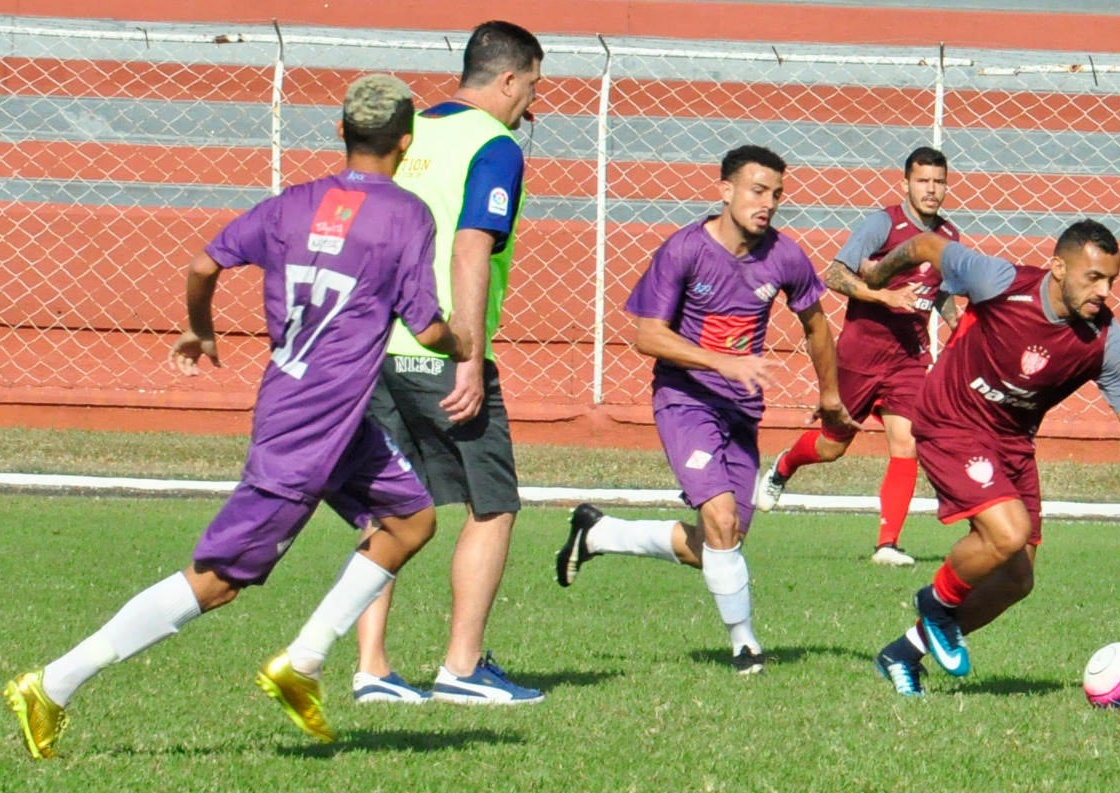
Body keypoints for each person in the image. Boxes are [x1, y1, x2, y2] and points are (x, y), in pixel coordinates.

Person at [2, 74, 471, 758]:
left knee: (412, 519)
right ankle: (52, 683)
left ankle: (303, 663)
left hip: (319, 411)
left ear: (340, 133)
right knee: (218, 581)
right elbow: (427, 329)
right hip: (310, 428)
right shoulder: (406, 214)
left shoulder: (292, 205)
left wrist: (200, 330)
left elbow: (202, 264)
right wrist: (465, 342)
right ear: (407, 141)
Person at [553, 145, 859, 674]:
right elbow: (648, 335)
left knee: (721, 544)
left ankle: (599, 533)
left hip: (742, 411)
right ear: (725, 191)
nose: (768, 203)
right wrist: (722, 363)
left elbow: (817, 326)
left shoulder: (785, 256)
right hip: (685, 399)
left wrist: (830, 398)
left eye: (777, 194)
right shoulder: (683, 250)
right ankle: (746, 647)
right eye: (757, 191)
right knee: (719, 522)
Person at [858, 219, 1120, 696]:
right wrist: (881, 275)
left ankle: (902, 652)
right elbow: (925, 244)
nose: (1104, 291)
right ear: (1058, 268)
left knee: (1015, 578)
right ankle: (936, 602)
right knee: (1008, 533)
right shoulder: (998, 282)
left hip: (1012, 442)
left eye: (1111, 280)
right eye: (1093, 278)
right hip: (951, 419)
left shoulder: (1106, 342)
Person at [349, 20, 544, 706]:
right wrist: (469, 354)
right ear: (510, 78)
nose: (532, 108)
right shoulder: (493, 145)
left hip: (372, 347)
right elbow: (469, 247)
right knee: (492, 505)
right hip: (440, 348)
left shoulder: (410, 133)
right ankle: (462, 667)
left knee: (387, 506)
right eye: (533, 89)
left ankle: (372, 667)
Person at [754, 146, 962, 567]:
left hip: (909, 358)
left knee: (907, 444)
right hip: (860, 353)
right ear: (906, 183)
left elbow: (941, 292)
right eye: (923, 181)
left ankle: (887, 545)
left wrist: (963, 329)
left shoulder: (949, 238)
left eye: (938, 182)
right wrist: (882, 295)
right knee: (833, 447)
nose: (931, 189)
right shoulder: (883, 224)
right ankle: (783, 467)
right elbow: (833, 274)